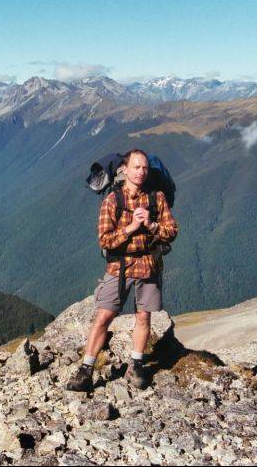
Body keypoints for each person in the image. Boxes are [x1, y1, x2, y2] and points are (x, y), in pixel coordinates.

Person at [66, 149, 178, 391]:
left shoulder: (156, 198)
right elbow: (105, 240)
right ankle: (87, 368)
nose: (141, 172)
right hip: (120, 267)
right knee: (103, 317)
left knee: (144, 316)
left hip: (149, 265)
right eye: (136, 167)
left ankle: (136, 365)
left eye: (145, 168)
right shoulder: (113, 200)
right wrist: (131, 227)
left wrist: (150, 224)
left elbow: (172, 232)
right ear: (125, 170)